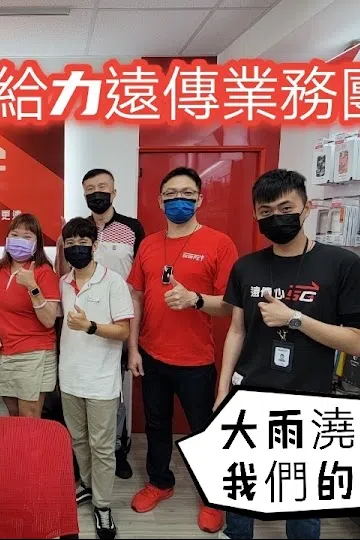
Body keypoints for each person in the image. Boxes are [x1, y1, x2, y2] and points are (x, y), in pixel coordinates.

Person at [218, 169, 360, 540]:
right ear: (255, 215)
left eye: (285, 208)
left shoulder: (342, 264)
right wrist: (223, 389)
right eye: (266, 211)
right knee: (240, 485)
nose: (276, 217)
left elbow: (357, 343)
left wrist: (295, 319)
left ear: (307, 208)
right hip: (249, 394)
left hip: (309, 399)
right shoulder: (246, 266)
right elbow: (237, 331)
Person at [126, 166, 238, 533]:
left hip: (196, 360)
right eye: (171, 194)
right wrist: (133, 348)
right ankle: (160, 482)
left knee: (204, 430)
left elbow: (229, 305)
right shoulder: (148, 244)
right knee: (156, 425)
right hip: (152, 355)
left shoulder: (219, 243)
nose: (179, 200)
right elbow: (136, 297)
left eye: (187, 194)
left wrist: (195, 300)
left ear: (200, 199)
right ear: (160, 201)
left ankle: (213, 497)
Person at [56, 167, 145, 479]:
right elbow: (62, 275)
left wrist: (133, 345)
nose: (97, 193)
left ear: (114, 191)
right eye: (90, 189)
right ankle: (87, 463)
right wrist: (61, 246)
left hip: (119, 320)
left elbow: (140, 281)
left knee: (114, 392)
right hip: (82, 322)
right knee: (84, 393)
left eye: (102, 187)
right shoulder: (77, 230)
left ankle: (116, 448)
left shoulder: (132, 228)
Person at [59, 217, 133, 540]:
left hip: (102, 381)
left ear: (95, 245)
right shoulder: (63, 282)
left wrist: (89, 326)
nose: (77, 249)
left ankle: (103, 505)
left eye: (82, 243)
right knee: (78, 440)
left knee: (102, 446)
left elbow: (124, 331)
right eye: (70, 244)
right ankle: (88, 485)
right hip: (69, 377)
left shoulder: (113, 282)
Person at [0, 214, 60, 418]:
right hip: (3, 353)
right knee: (14, 415)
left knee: (29, 417)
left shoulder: (44, 271)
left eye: (27, 236)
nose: (19, 240)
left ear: (37, 242)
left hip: (33, 354)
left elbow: (49, 320)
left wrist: (32, 287)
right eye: (15, 235)